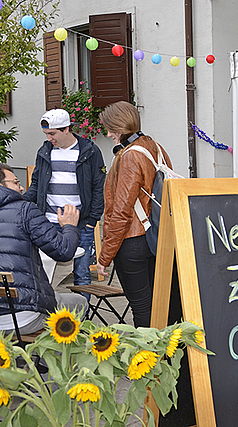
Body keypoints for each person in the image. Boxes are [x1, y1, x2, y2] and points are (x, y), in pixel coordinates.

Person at [0, 162, 87, 334]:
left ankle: (18, 358)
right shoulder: (24, 210)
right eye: (16, 182)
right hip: (21, 317)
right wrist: (69, 226)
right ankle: (52, 359)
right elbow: (63, 252)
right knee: (79, 302)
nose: (22, 187)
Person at [97, 101, 172, 327]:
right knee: (161, 305)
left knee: (142, 308)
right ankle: (165, 354)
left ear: (120, 127)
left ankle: (148, 358)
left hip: (132, 242)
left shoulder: (129, 156)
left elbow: (121, 211)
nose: (108, 134)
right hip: (157, 236)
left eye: (110, 128)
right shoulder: (156, 148)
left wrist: (105, 257)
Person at [25, 109, 106, 298]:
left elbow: (98, 187)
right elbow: (36, 184)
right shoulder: (45, 151)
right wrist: (22, 203)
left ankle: (82, 321)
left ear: (67, 129)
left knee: (82, 275)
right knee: (44, 274)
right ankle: (49, 316)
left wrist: (91, 220)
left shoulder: (90, 151)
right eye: (46, 134)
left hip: (81, 224)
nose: (49, 138)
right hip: (49, 222)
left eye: (53, 134)